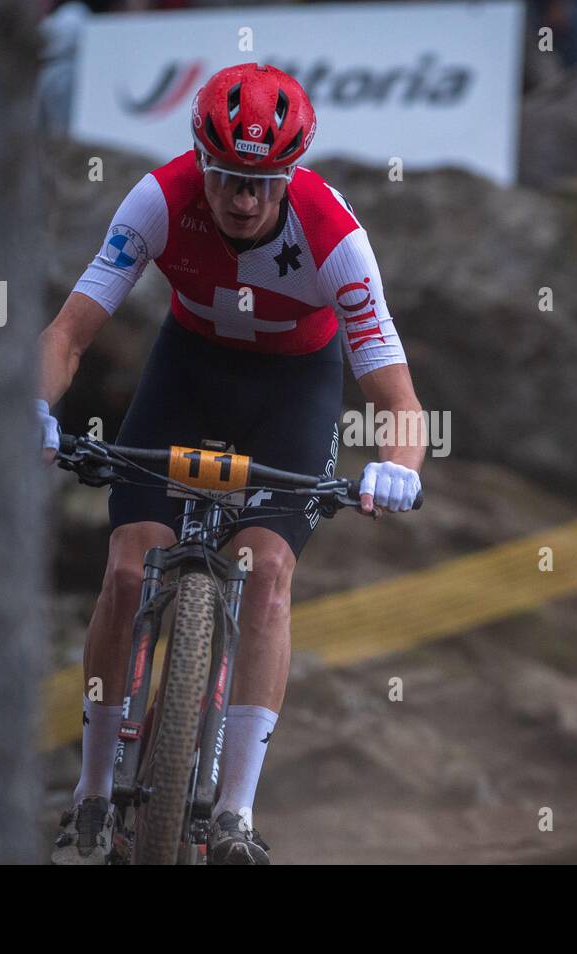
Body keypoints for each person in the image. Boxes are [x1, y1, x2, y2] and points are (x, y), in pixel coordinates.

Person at [38, 63, 425, 864]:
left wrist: (398, 466)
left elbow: (400, 402)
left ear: (291, 174)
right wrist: (32, 408)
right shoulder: (158, 199)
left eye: (263, 182)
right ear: (199, 163)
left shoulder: (335, 238)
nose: (243, 200)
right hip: (189, 371)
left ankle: (235, 812)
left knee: (269, 572)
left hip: (293, 389)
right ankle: (92, 789)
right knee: (124, 568)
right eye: (226, 178)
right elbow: (68, 335)